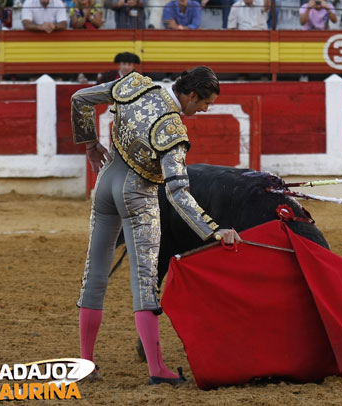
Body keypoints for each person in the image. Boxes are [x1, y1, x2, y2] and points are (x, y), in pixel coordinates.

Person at [70, 66, 241, 385]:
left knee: (94, 276)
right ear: (191, 95)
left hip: (105, 184)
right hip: (138, 195)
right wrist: (213, 230)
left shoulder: (135, 85)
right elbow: (177, 192)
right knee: (145, 280)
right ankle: (157, 369)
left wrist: (91, 144)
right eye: (204, 103)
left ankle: (85, 364)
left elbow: (79, 98)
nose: (204, 109)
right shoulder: (172, 130)